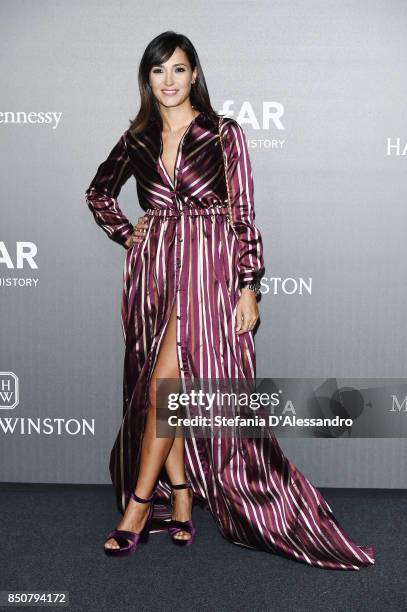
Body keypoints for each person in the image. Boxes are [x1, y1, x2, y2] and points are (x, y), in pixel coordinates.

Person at [85, 31, 375, 569]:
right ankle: (182, 497)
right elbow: (99, 191)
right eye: (157, 72)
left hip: (209, 271)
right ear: (146, 80)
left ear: (195, 74)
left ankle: (137, 509)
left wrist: (249, 285)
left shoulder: (223, 133)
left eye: (178, 69)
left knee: (169, 387)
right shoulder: (138, 138)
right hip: (155, 273)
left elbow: (243, 212)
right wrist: (128, 233)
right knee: (160, 389)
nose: (168, 81)